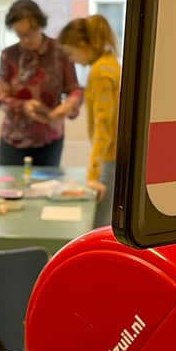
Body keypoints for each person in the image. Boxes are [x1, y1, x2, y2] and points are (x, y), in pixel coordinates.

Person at [0, 0, 82, 167]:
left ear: (40, 25)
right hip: (14, 138)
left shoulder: (60, 52)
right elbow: (1, 98)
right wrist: (24, 106)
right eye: (20, 35)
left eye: (30, 32)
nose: (26, 40)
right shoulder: (9, 56)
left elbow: (74, 89)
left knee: (46, 188)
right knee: (11, 189)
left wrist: (70, 104)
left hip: (50, 138)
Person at [59, 14, 121, 228]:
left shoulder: (101, 72)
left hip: (110, 158)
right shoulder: (110, 63)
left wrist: (93, 173)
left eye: (70, 52)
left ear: (84, 45)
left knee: (98, 225)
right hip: (112, 155)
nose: (71, 59)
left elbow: (104, 126)